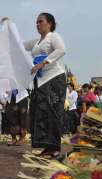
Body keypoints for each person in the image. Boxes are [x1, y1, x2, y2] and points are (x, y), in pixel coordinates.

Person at [23, 13, 66, 158]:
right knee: (40, 112)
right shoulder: (35, 42)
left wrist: (43, 63)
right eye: (36, 22)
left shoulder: (53, 37)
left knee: (53, 112)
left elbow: (61, 50)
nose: (38, 24)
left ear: (50, 23)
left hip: (54, 78)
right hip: (40, 81)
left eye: (40, 21)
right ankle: (47, 147)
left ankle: (55, 147)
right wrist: (9, 28)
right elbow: (19, 45)